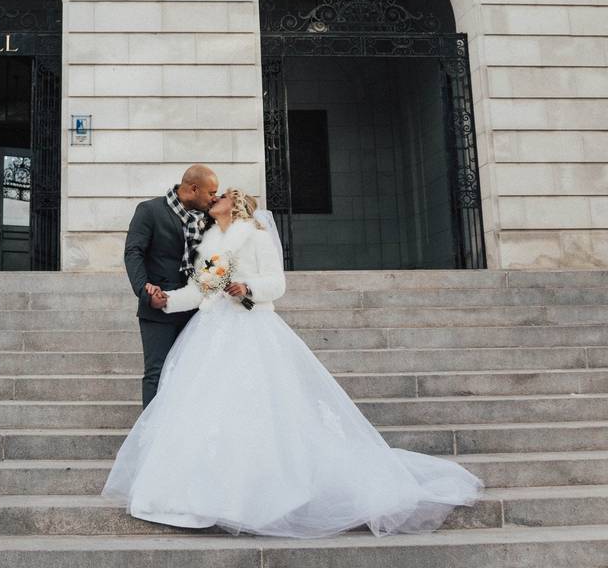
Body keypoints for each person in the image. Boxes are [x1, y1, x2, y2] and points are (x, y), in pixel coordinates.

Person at [103, 188, 485, 538]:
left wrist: (248, 288)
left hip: (250, 325)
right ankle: (201, 490)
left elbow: (277, 283)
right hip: (212, 329)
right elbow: (199, 289)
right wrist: (165, 300)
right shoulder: (209, 243)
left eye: (220, 196)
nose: (213, 198)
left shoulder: (254, 236)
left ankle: (262, 490)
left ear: (234, 204)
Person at [124, 164, 219, 408]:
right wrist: (145, 290)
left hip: (196, 309)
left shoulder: (210, 218)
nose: (214, 198)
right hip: (158, 306)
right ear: (194, 189)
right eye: (210, 193)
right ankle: (149, 439)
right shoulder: (150, 210)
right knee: (157, 373)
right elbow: (133, 253)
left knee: (191, 374)